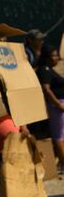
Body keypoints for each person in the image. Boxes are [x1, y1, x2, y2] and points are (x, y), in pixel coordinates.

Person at [37, 44, 64, 174]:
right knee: (59, 137)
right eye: (54, 55)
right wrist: (58, 105)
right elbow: (46, 89)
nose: (57, 58)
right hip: (57, 107)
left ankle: (61, 163)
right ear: (46, 57)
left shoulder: (50, 69)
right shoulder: (45, 70)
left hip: (59, 106)